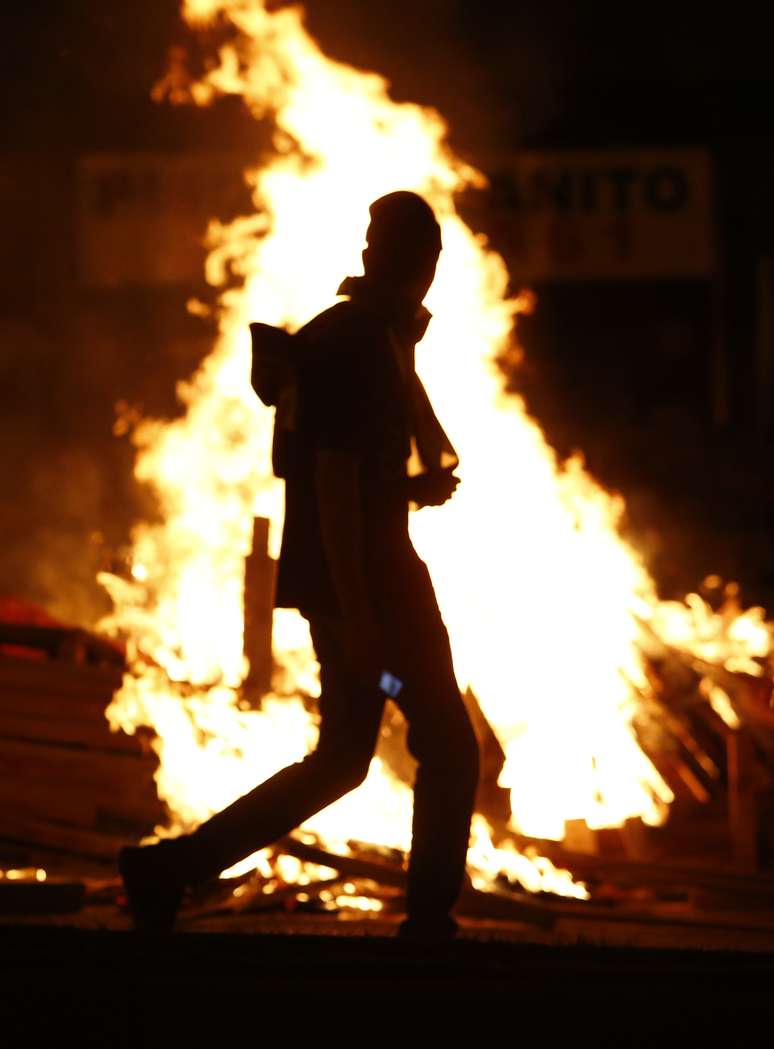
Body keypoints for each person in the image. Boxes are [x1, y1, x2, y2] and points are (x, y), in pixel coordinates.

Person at [118, 191, 480, 940]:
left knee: (345, 757)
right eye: (423, 255)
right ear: (406, 261)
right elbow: (334, 489)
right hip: (375, 596)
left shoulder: (366, 338)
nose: (426, 270)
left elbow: (343, 478)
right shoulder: (355, 346)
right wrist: (359, 619)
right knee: (445, 742)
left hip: (364, 589)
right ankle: (430, 922)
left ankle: (168, 870)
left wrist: (409, 489)